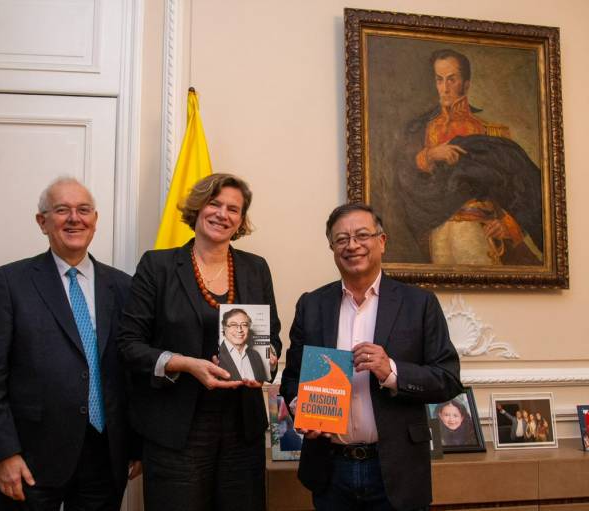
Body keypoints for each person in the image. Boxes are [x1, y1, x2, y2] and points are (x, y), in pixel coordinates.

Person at [280, 203, 462, 511]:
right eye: (341, 239)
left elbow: (447, 378)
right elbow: (291, 378)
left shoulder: (419, 304)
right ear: (332, 247)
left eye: (362, 235)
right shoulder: (312, 305)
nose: (352, 245)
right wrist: (302, 408)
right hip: (330, 469)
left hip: (396, 471)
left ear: (382, 241)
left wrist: (390, 370)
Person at [117, 173, 282, 511]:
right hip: (177, 430)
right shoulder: (158, 266)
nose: (223, 214)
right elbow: (129, 345)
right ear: (198, 208)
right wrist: (187, 364)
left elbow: (272, 335)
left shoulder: (255, 268)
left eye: (233, 209)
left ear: (241, 220)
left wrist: (269, 357)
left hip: (242, 430)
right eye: (215, 203)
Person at [0, 177, 141, 510]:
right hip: (31, 459)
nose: (74, 219)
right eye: (62, 210)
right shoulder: (11, 282)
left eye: (83, 210)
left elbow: (133, 373)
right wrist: (4, 453)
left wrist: (134, 446)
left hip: (105, 457)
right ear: (42, 222)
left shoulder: (123, 286)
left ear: (95, 220)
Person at [396, 48, 544, 265]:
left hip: (478, 229)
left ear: (466, 84)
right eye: (439, 80)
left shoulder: (490, 132)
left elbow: (522, 184)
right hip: (437, 232)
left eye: (451, 80)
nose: (444, 88)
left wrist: (510, 225)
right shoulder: (421, 131)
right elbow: (405, 177)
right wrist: (430, 155)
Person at [219, 308, 269, 382]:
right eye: (233, 325)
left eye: (244, 325)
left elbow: (263, 382)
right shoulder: (216, 354)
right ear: (224, 328)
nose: (239, 330)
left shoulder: (256, 355)